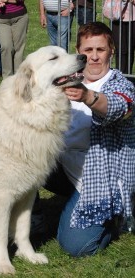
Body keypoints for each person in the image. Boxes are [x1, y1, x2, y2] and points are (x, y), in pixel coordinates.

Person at [33, 21, 135, 257]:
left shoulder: (122, 85)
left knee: (77, 247)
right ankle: (36, 217)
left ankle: (113, 217)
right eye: (88, 50)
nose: (95, 57)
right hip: (62, 164)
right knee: (24, 153)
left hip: (100, 177)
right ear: (79, 52)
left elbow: (119, 107)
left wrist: (88, 96)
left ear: (112, 51)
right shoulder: (64, 80)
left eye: (100, 50)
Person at [0, 0, 28, 78]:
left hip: (20, 17)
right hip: (1, 20)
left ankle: (18, 78)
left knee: (18, 48)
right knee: (6, 47)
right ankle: (7, 78)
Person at [112, 0, 135, 74]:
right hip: (117, 17)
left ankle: (128, 77)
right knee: (121, 50)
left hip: (133, 18)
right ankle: (121, 77)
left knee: (130, 51)